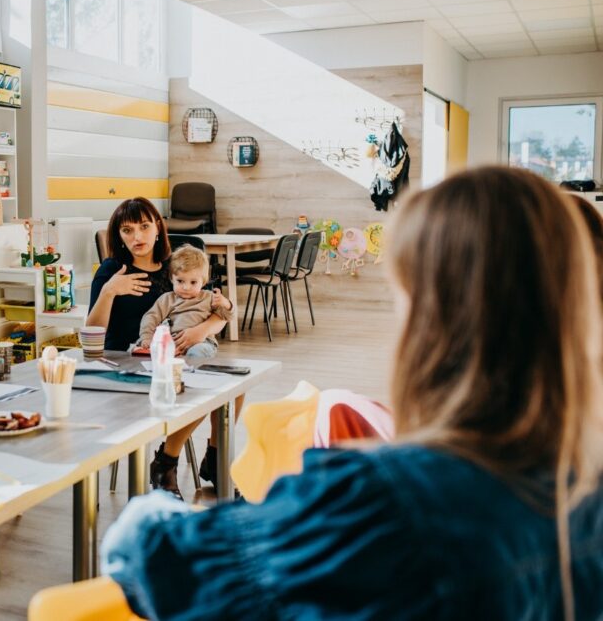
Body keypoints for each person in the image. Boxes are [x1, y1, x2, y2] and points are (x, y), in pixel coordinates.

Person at [101, 167, 603, 619]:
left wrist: (150, 508)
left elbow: (151, 558)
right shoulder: (585, 490)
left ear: (432, 319)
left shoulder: (378, 498)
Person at [88, 198, 237, 499]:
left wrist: (202, 330)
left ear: (158, 227)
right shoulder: (112, 270)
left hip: (172, 359)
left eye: (144, 226)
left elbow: (215, 308)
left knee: (235, 384)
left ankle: (214, 460)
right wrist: (108, 292)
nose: (137, 237)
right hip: (126, 360)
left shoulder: (177, 268)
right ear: (118, 235)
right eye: (127, 230)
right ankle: (166, 462)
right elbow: (92, 333)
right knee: (201, 386)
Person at [137, 245, 233, 358]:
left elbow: (227, 315)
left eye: (193, 282)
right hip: (173, 342)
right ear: (172, 278)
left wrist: (225, 303)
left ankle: (191, 372)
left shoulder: (209, 297)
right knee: (137, 348)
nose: (186, 287)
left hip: (202, 342)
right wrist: (147, 337)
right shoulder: (167, 299)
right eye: (180, 281)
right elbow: (151, 317)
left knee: (198, 353)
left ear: (203, 281)